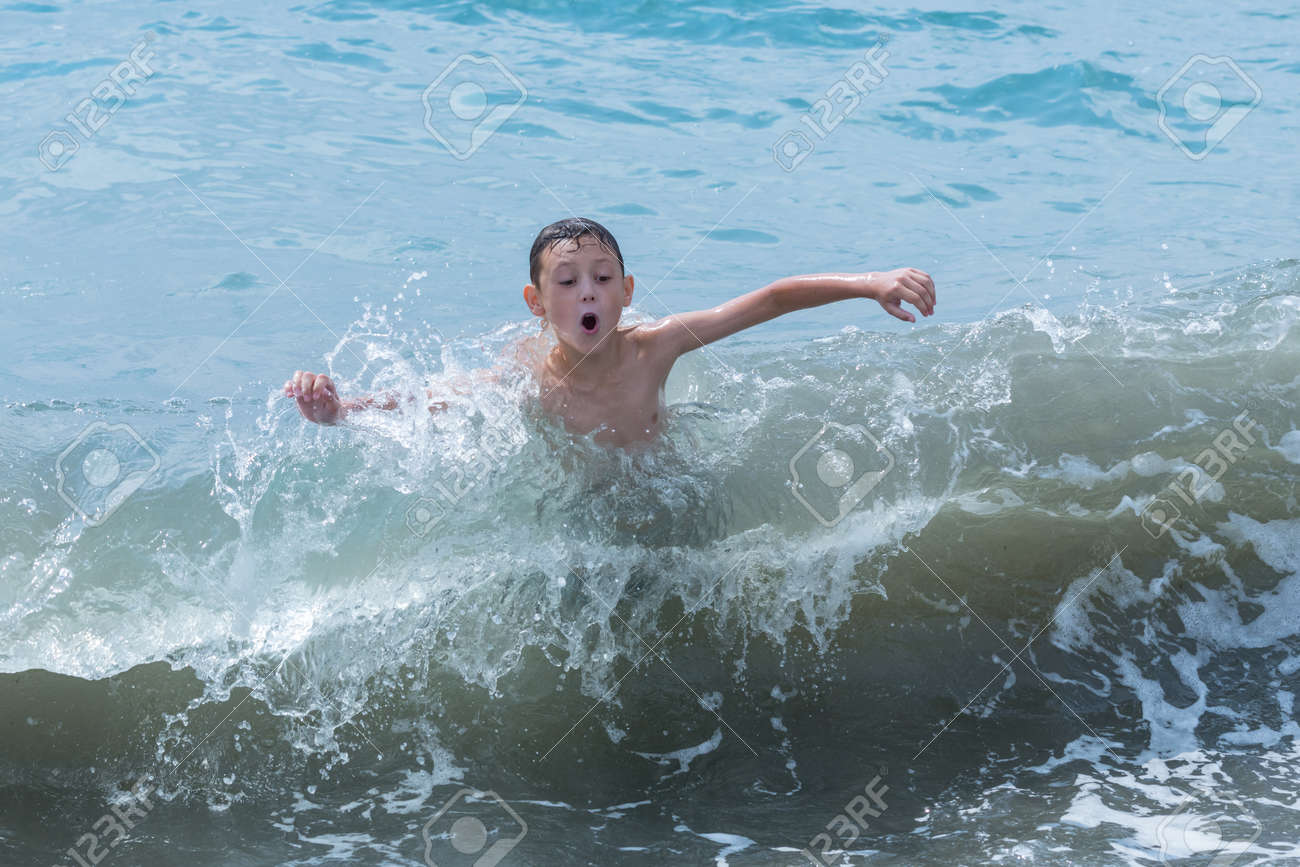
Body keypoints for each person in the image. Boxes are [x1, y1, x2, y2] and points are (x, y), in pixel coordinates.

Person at [284, 217, 935, 447]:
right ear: (536, 303)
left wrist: (870, 280)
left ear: (627, 293)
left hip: (664, 481)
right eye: (567, 283)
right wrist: (342, 409)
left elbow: (768, 300)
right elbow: (436, 397)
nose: (587, 291)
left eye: (602, 278)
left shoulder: (656, 346)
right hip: (584, 511)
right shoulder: (526, 374)